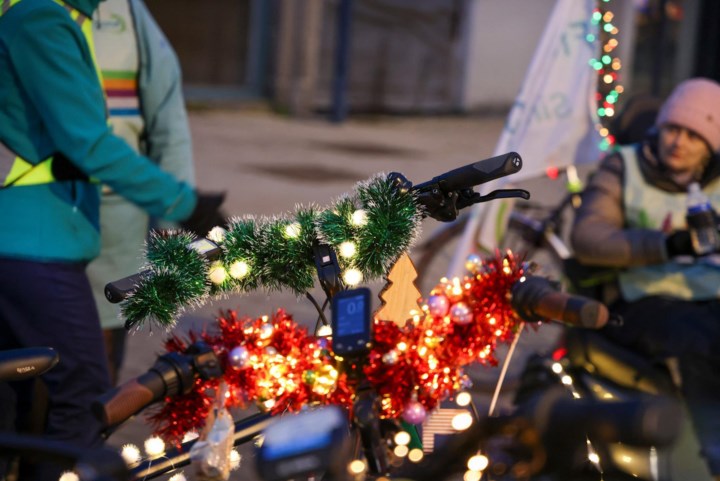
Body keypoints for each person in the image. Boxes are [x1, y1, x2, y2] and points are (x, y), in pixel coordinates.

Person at [0, 0, 220, 479]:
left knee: (25, 399)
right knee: (82, 391)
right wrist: (186, 205)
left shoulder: (53, 15)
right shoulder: (39, 18)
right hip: (32, 245)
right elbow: (89, 143)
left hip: (38, 240)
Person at [571, 77, 720, 478]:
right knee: (695, 341)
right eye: (673, 128)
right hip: (640, 299)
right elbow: (588, 239)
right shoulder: (625, 166)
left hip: (708, 297)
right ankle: (712, 452)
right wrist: (666, 245)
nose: (679, 142)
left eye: (694, 135)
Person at [88, 0, 196, 386]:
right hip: (30, 227)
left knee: (90, 382)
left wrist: (174, 221)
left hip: (111, 235)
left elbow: (168, 123)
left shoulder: (126, 12)